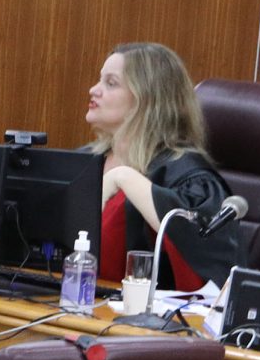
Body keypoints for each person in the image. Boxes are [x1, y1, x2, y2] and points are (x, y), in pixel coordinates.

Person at [86, 41, 238, 290]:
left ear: (148, 99)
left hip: (144, 320)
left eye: (110, 83)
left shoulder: (188, 177)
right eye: (99, 80)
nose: (94, 90)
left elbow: (207, 263)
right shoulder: (86, 161)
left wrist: (125, 178)